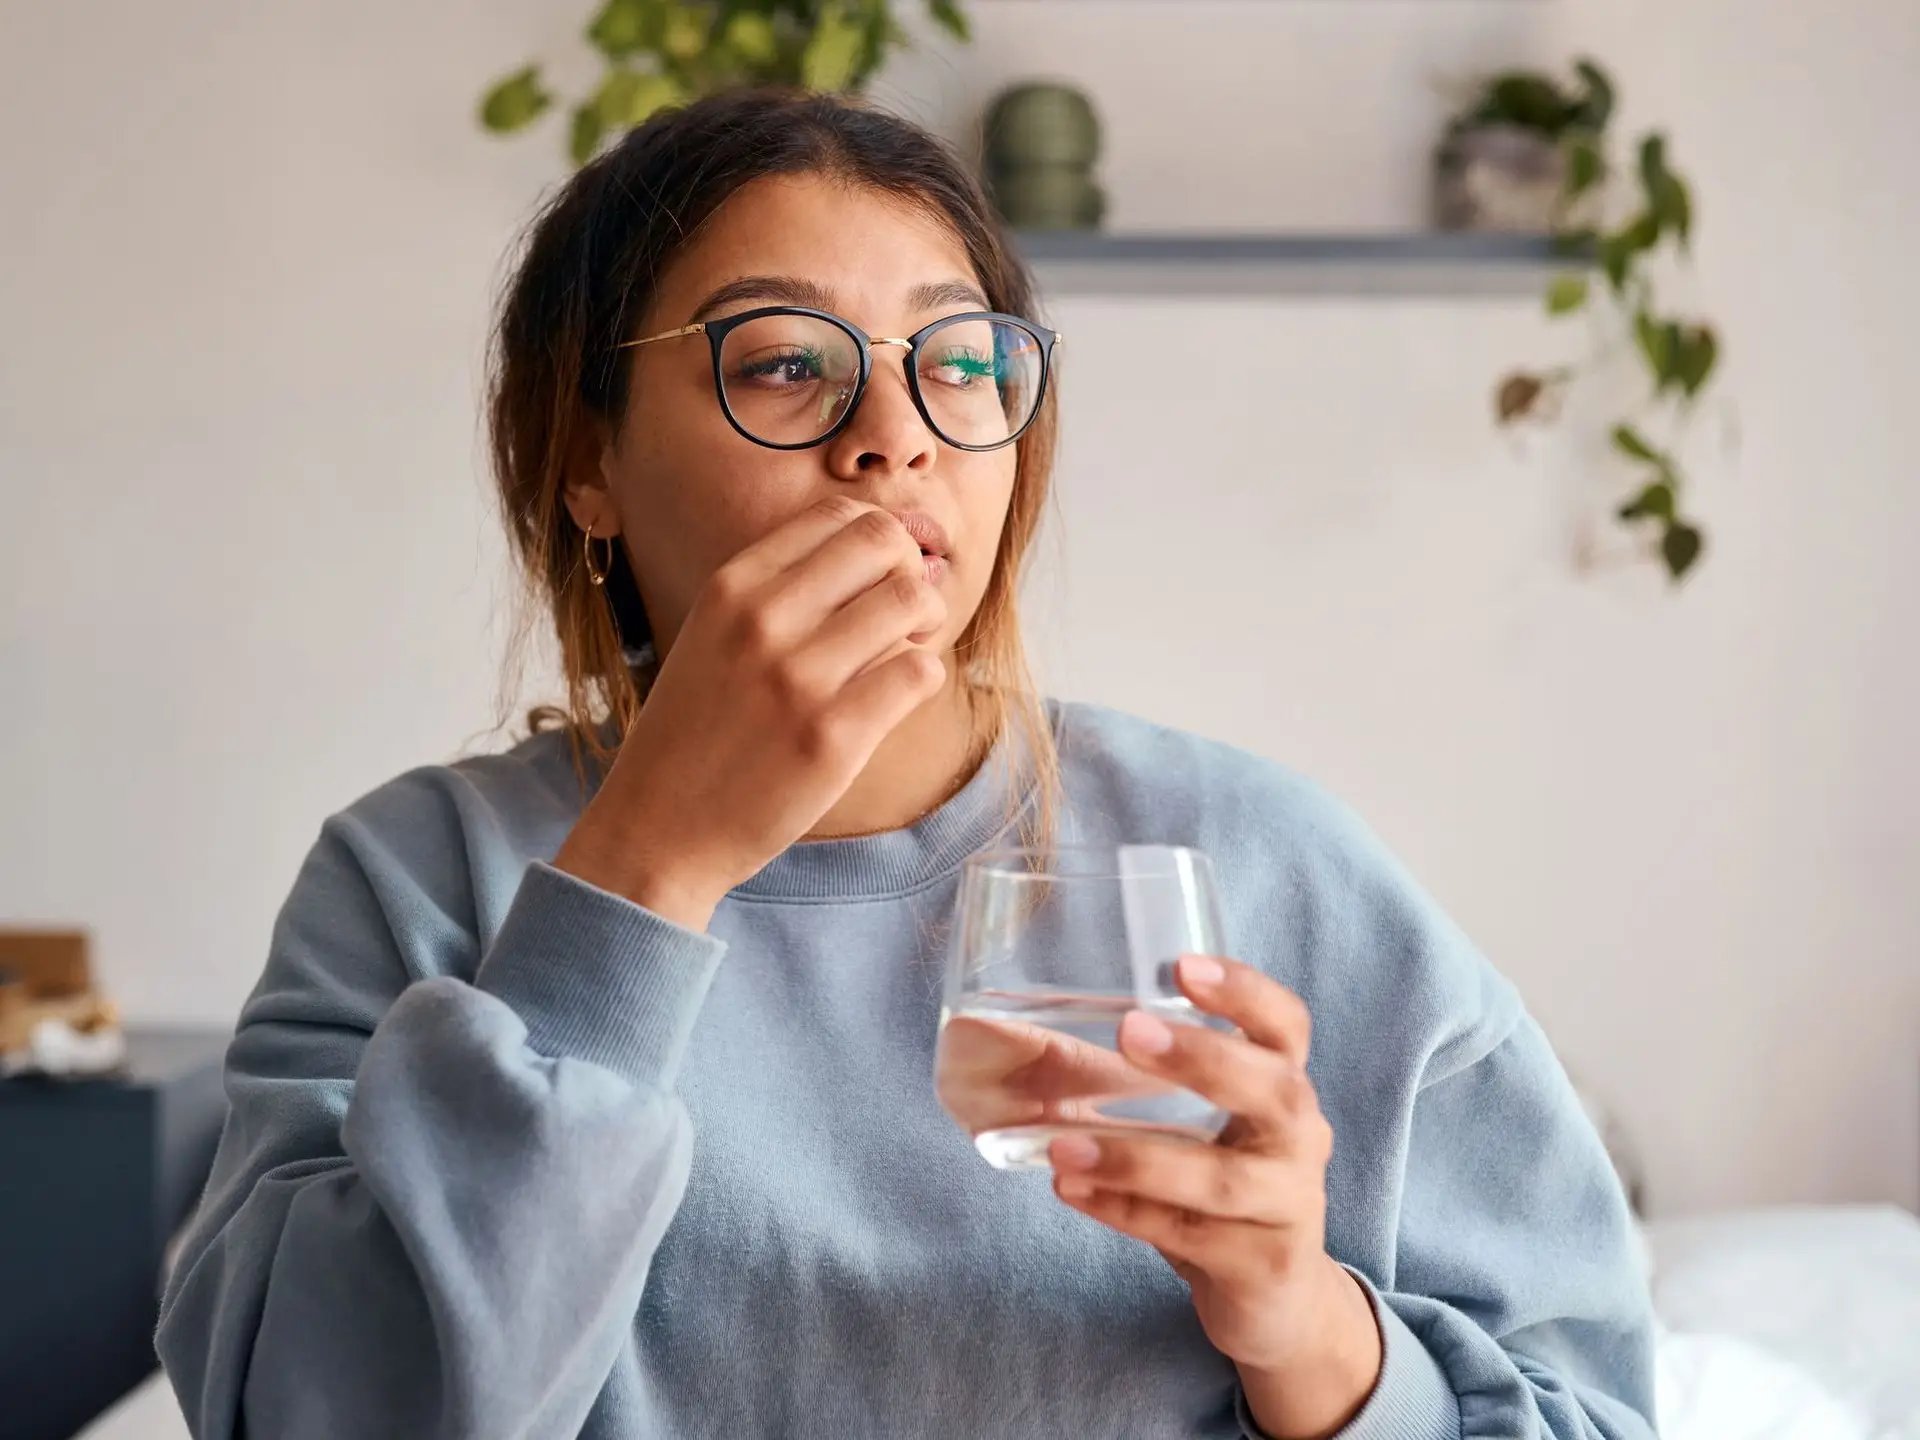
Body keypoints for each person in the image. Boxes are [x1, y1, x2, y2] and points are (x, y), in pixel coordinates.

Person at [156, 89, 1658, 1440]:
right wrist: (645, 871)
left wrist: (1311, 1335)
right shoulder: (414, 885)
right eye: (784, 363)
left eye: (960, 361)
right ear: (589, 464)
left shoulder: (1273, 871)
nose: (896, 438)